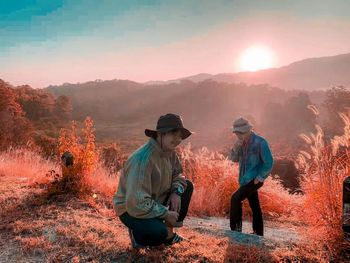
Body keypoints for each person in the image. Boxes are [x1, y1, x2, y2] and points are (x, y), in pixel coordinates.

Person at [113, 113, 194, 248]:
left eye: (180, 135)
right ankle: (138, 235)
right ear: (160, 134)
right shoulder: (143, 159)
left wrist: (176, 192)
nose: (178, 139)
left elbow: (178, 175)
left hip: (153, 202)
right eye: (173, 134)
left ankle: (169, 233)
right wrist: (165, 213)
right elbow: (136, 202)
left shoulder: (169, 151)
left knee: (187, 187)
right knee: (158, 234)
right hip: (130, 208)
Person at [229, 117, 273, 236]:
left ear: (249, 130)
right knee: (255, 205)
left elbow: (269, 162)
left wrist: (260, 177)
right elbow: (233, 159)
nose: (239, 135)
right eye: (237, 133)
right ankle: (258, 233)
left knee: (235, 199)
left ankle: (236, 232)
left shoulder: (260, 142)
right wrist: (236, 146)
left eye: (241, 132)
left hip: (255, 179)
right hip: (244, 179)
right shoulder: (240, 143)